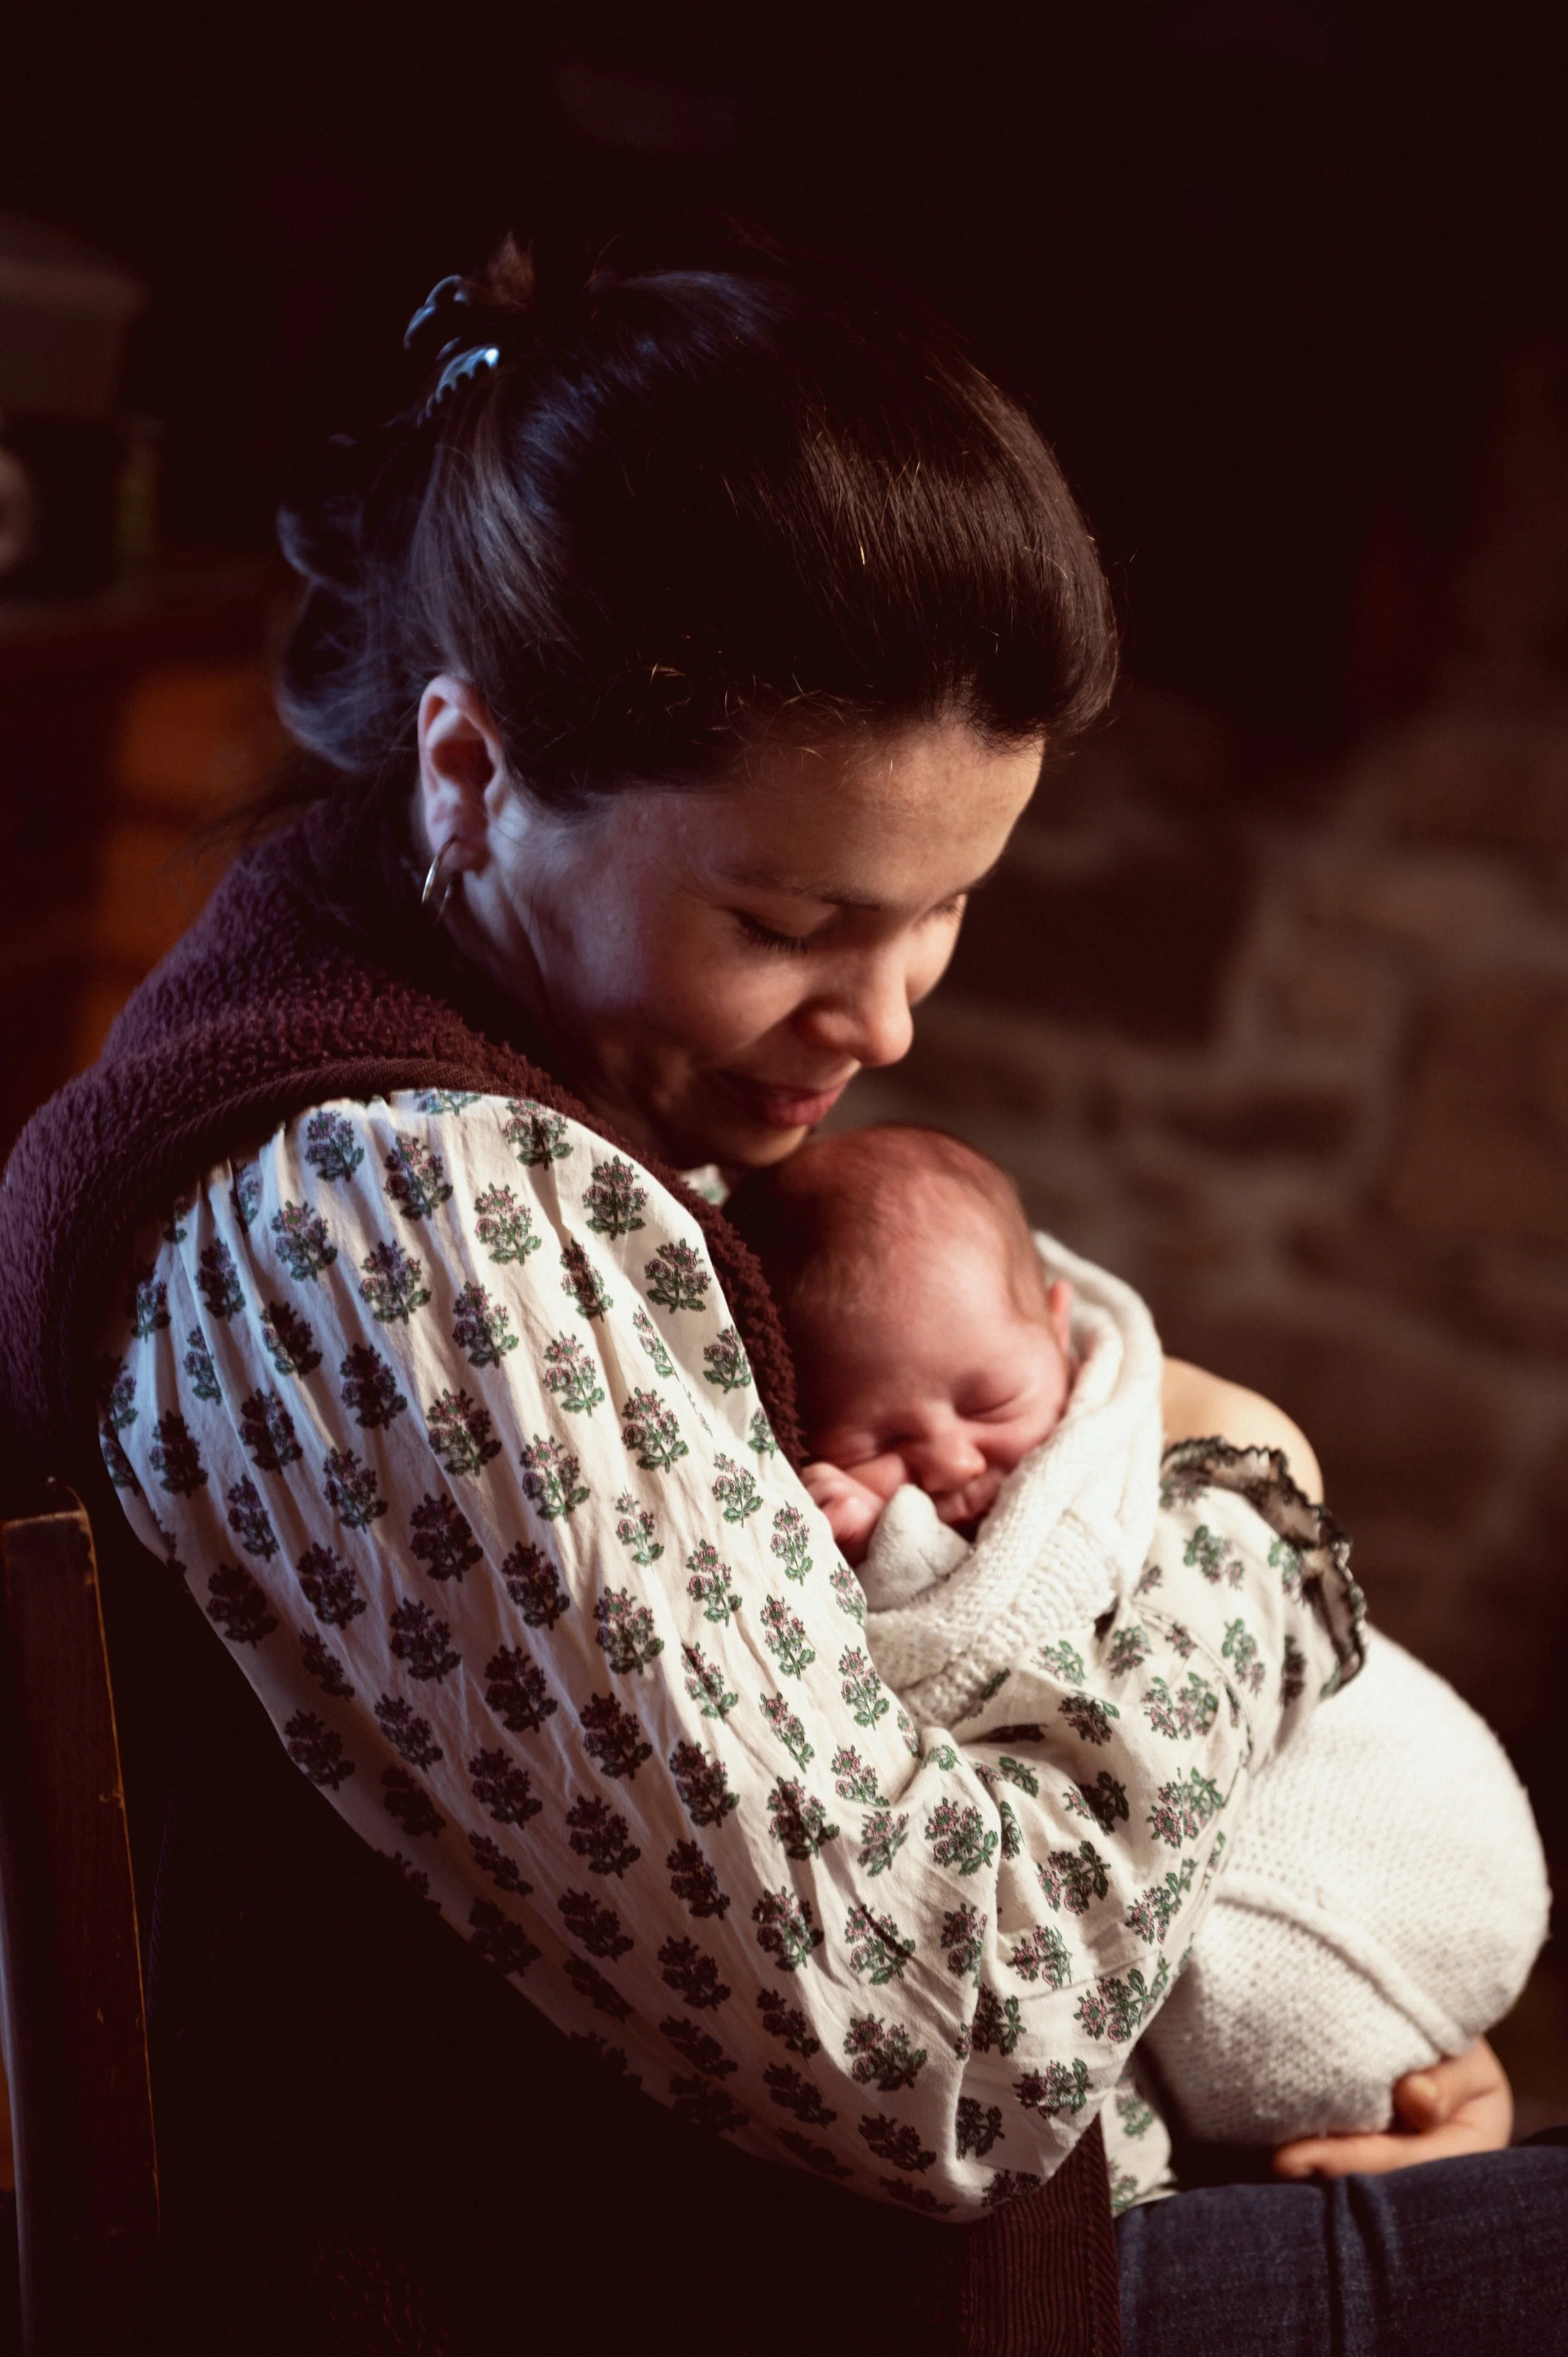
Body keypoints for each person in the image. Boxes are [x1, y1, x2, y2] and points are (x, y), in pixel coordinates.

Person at [0, 225, 1560, 2356]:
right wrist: (1242, 1512)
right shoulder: (396, 1217)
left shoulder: (532, 1056)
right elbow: (954, 2046)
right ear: (469, 771)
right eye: (791, 919)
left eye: (947, 909)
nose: (889, 1019)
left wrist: (1320, 2041)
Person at [725, 1122, 1550, 2173]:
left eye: (990, 1401)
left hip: (1396, 1808)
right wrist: (864, 1548)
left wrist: (899, 1550)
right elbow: (930, 1671)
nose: (955, 1462)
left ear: (1058, 1329)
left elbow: (1030, 1624)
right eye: (880, 1441)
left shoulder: (1108, 1454)